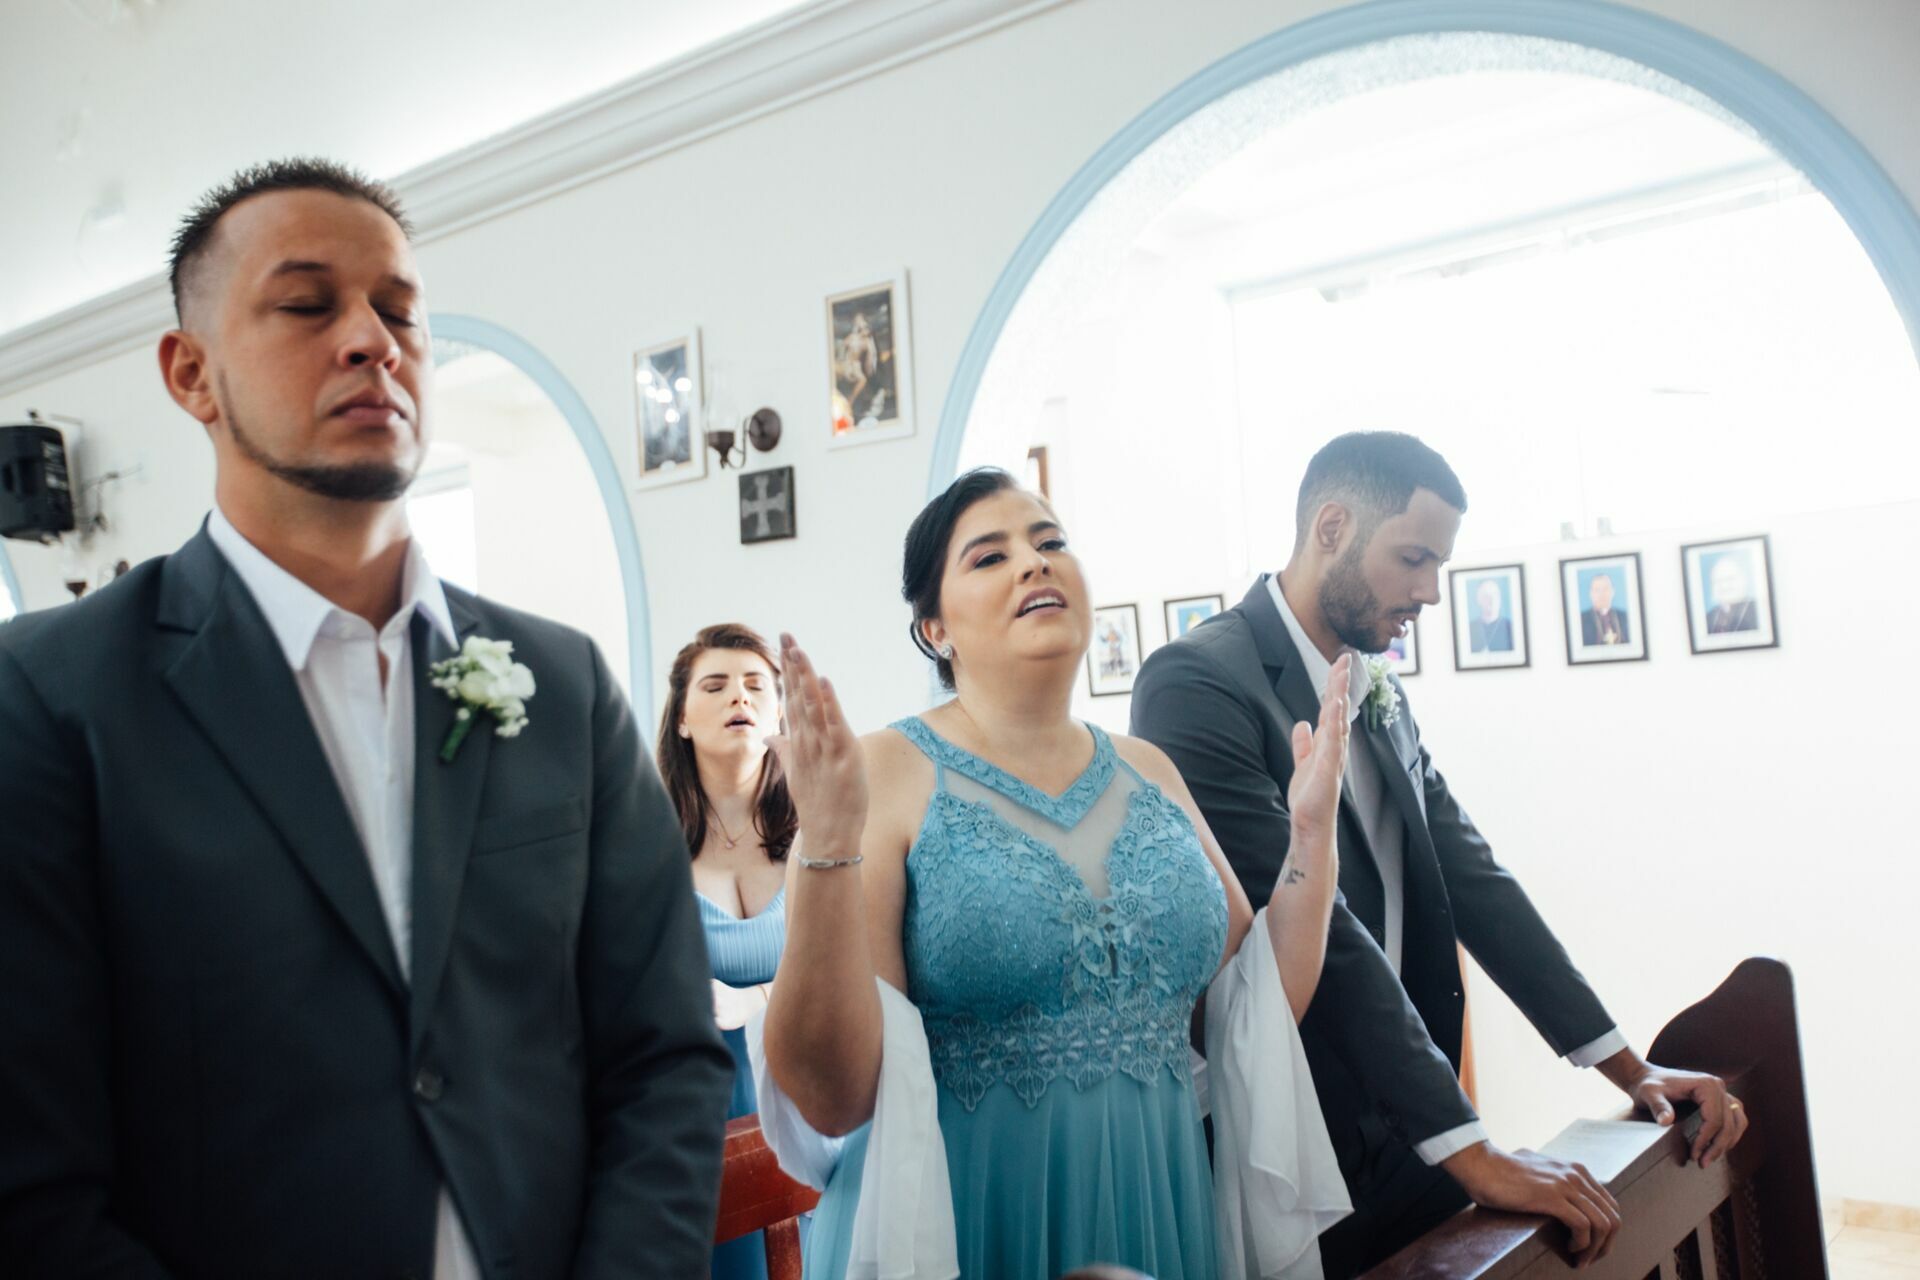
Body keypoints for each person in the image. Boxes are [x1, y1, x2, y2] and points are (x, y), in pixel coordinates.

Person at [0, 158, 733, 1278]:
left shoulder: (563, 683)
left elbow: (664, 1056)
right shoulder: (53, 697)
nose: (370, 340)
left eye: (400, 312)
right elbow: (31, 1170)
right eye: (306, 304)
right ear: (190, 373)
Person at [1132, 432, 1748, 1278]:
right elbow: (1324, 930)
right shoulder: (1199, 682)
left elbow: (1474, 880)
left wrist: (1631, 1070)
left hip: (1407, 1130)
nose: (1429, 591)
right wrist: (1473, 1147)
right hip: (1296, 1134)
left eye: (1439, 565)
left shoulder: (1377, 685)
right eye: (1413, 558)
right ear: (1333, 527)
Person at [761, 467, 1354, 1279]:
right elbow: (834, 1094)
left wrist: (1311, 836)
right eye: (989, 557)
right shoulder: (881, 772)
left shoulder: (1150, 771)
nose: (1034, 564)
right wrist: (825, 839)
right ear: (935, 628)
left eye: (1050, 543)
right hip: (969, 1212)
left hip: (1158, 1199)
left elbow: (1250, 1013)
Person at [657, 623, 800, 1280]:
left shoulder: (818, 828)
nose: (737, 696)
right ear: (682, 718)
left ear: (777, 710)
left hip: (810, 1086)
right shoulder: (646, 840)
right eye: (714, 685)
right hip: (699, 1109)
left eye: (755, 685)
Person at [1705, 555, 1760, 634]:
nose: (1724, 586)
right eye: (1718, 581)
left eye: (1730, 579)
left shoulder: (1759, 610)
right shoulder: (1708, 618)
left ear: (1743, 580)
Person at [1580, 572, 1630, 646]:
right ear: (1591, 594)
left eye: (1605, 589)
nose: (1602, 594)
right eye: (1597, 590)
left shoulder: (1626, 617)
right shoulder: (1581, 619)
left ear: (1612, 592)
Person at [1468, 578, 1513, 652]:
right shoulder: (1470, 628)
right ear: (1479, 599)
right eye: (1486, 596)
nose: (1492, 600)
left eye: (1495, 595)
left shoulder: (1510, 627)